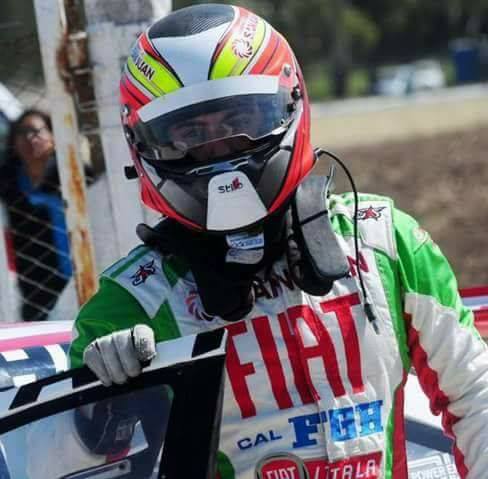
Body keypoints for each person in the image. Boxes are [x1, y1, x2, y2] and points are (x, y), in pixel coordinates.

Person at [69, 4, 488, 478]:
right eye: (189, 133)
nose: (219, 150)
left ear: (290, 104)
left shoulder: (385, 241)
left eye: (239, 120)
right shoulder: (128, 307)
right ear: (144, 143)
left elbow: (476, 393)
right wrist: (99, 405)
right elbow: (79, 462)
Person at [0, 109, 90, 321]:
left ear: (53, 135)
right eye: (22, 132)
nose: (30, 138)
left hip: (77, 264)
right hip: (32, 278)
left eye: (36, 131)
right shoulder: (8, 179)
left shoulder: (72, 172)